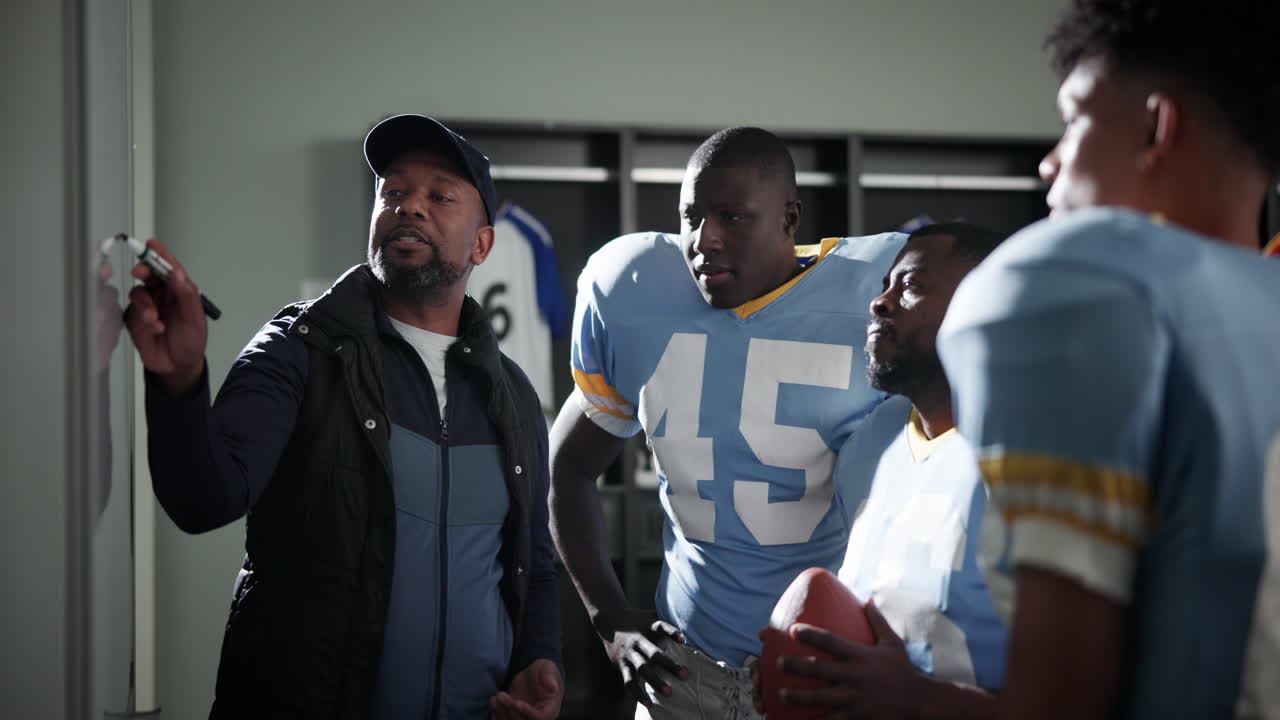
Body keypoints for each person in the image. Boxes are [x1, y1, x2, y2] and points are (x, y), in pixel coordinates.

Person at [124, 114, 562, 719]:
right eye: (394, 192)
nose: (410, 207)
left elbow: (532, 560)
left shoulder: (511, 394)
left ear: (482, 244)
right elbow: (204, 499)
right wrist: (179, 384)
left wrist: (539, 657)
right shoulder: (300, 347)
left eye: (439, 195)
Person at [934, 1, 1280, 717]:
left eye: (1074, 118)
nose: (1050, 160)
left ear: (1156, 126)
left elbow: (1061, 702)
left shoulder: (1083, 285)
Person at [548, 126, 905, 719]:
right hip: (684, 676)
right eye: (691, 216)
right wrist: (608, 617)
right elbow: (567, 470)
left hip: (824, 674)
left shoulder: (880, 291)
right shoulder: (633, 288)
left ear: (790, 218)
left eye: (733, 217)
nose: (704, 239)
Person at [764, 222, 1010, 719]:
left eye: (912, 286)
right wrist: (803, 672)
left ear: (987, 306)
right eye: (885, 286)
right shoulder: (873, 441)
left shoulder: (1038, 463)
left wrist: (919, 699)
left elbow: (1104, 694)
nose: (880, 303)